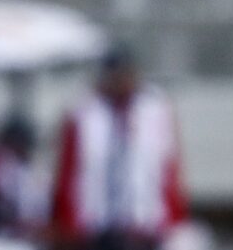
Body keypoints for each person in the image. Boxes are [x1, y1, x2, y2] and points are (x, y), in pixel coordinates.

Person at [51, 45, 188, 250]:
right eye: (115, 75)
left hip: (144, 225)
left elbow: (169, 168)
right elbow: (68, 171)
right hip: (95, 226)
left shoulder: (154, 109)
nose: (120, 81)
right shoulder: (83, 111)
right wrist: (67, 223)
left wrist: (173, 220)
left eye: (125, 74)